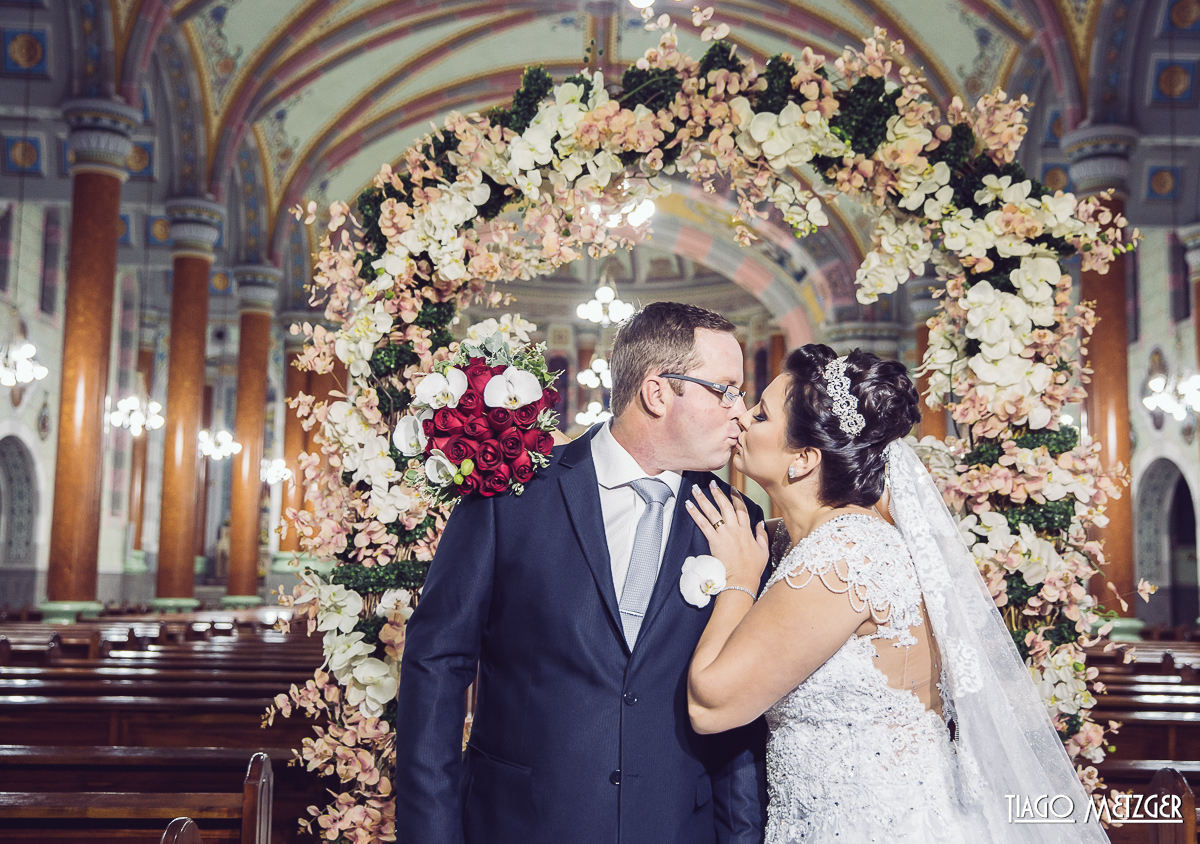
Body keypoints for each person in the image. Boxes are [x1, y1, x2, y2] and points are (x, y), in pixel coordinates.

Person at [684, 344, 1109, 844]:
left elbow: (711, 706)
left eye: (759, 413)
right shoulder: (813, 539)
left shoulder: (845, 556)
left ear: (802, 459)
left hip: (872, 824)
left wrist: (737, 579)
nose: (741, 415)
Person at [394, 302, 768, 844]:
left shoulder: (738, 523)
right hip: (521, 824)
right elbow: (436, 666)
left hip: (673, 827)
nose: (740, 411)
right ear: (658, 391)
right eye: (724, 389)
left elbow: (738, 711)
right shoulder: (511, 495)